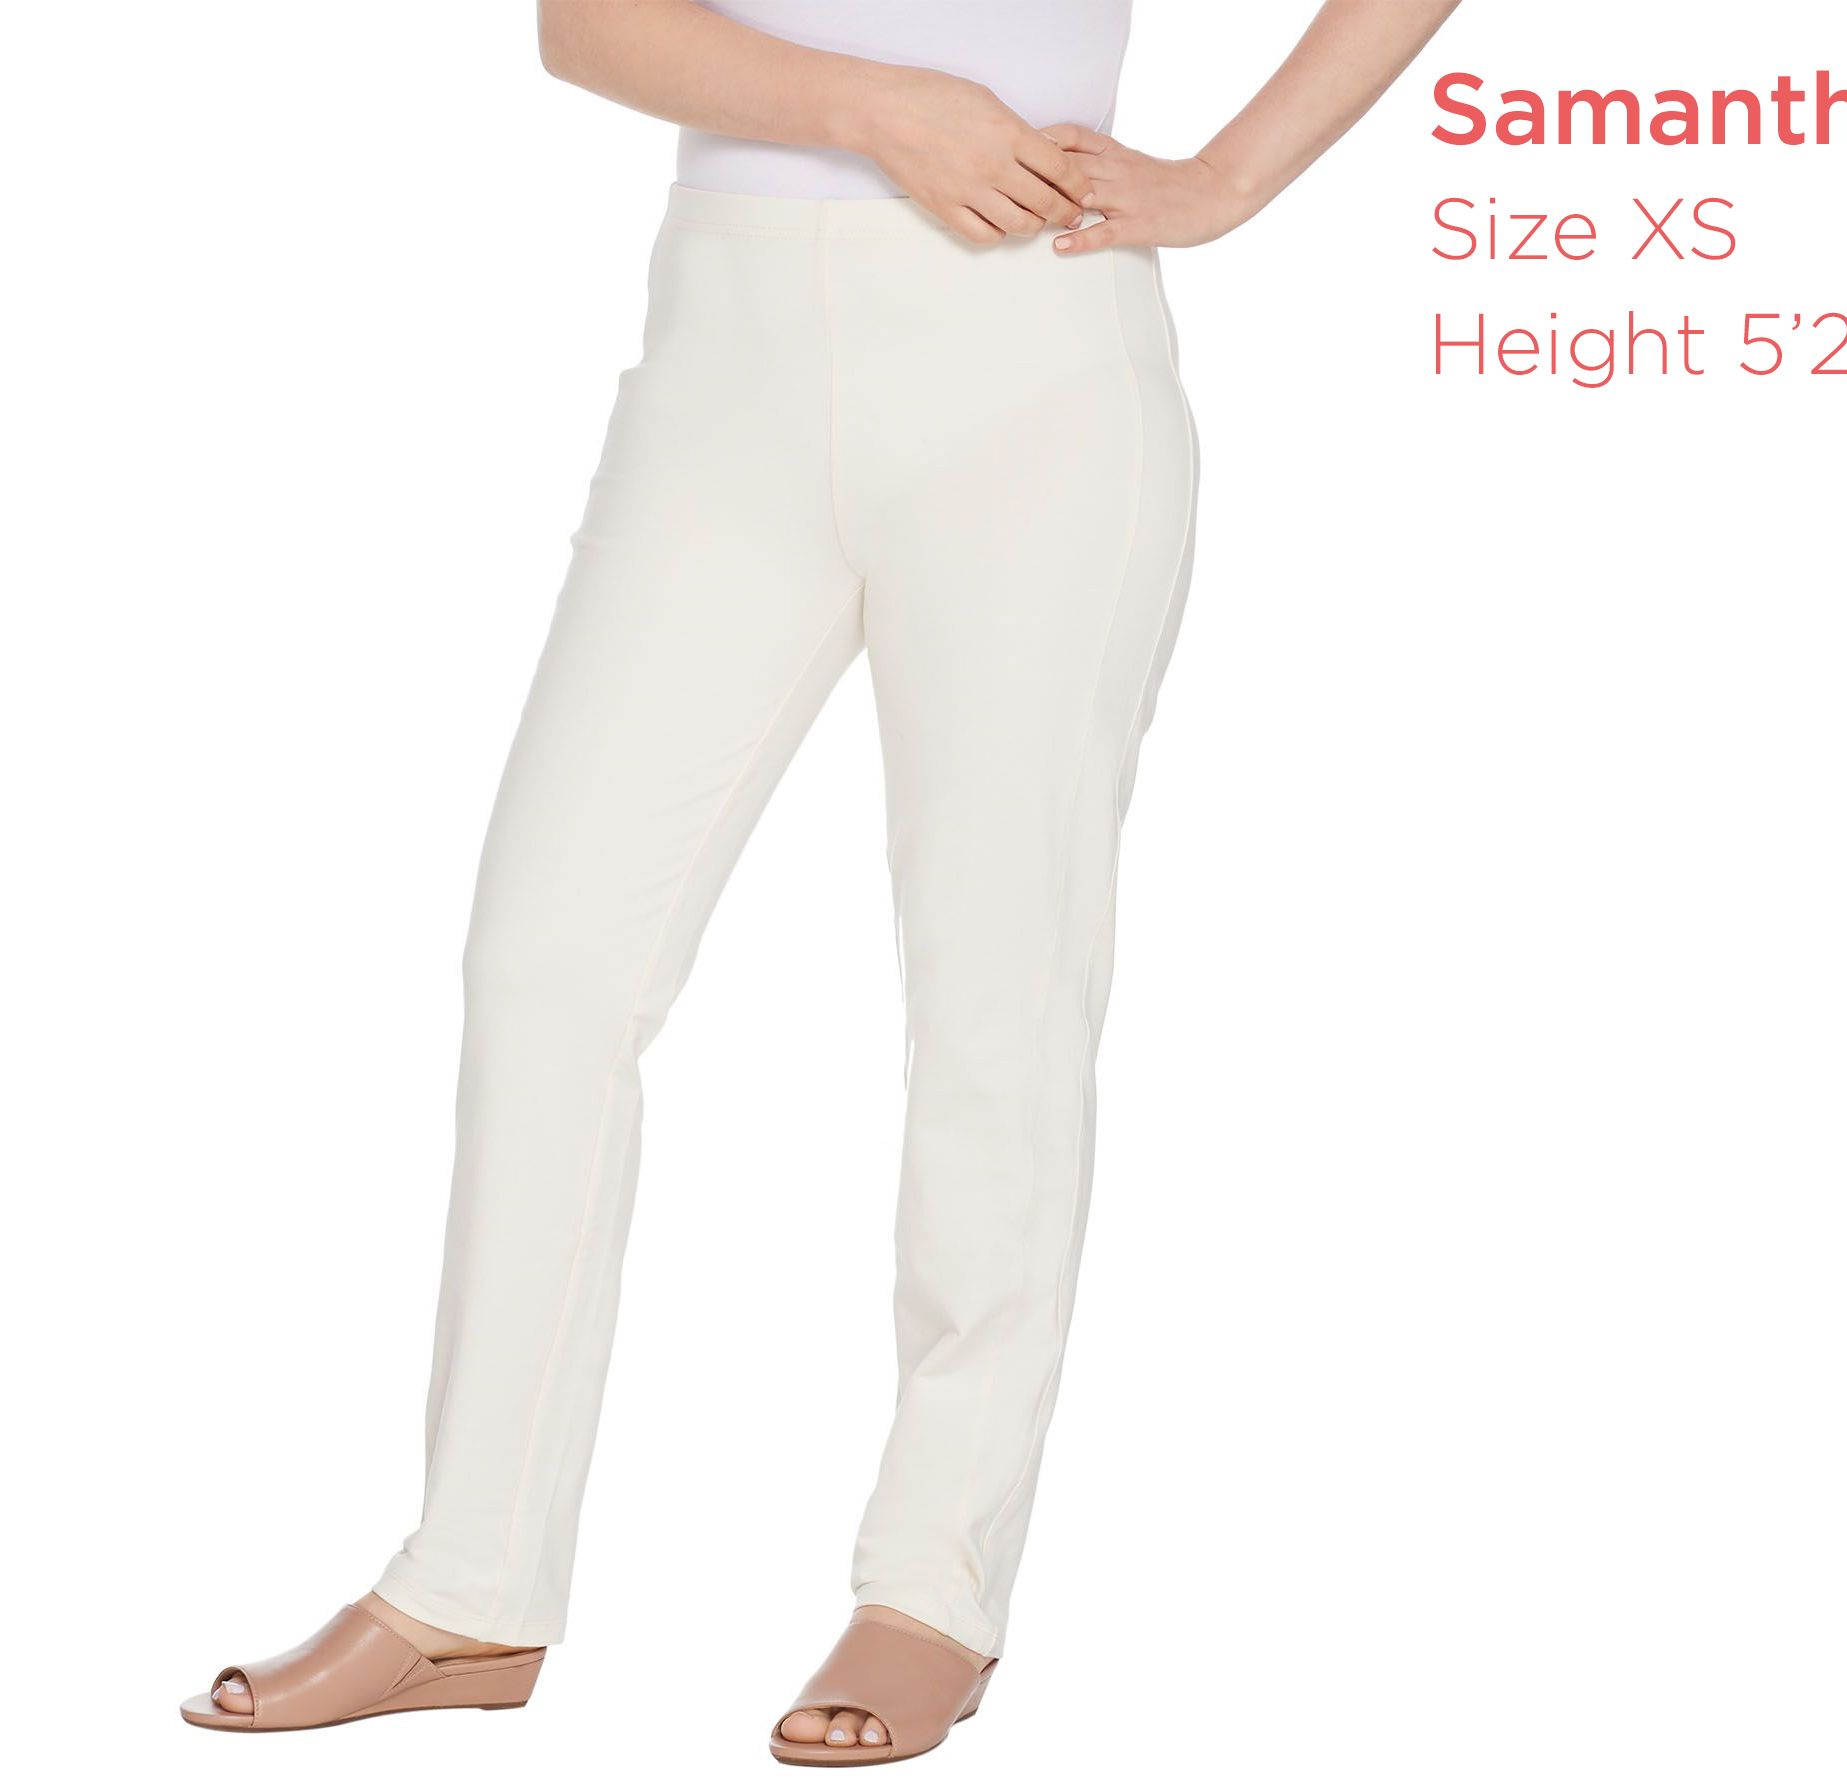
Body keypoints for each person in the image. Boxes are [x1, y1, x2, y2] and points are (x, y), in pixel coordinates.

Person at [180, 0, 1461, 1762]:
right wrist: (878, 107)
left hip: (1035, 355)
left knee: (997, 995)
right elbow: (584, 24)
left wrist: (1232, 178)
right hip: (724, 362)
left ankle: (933, 1585)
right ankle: (468, 1584)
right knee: (549, 965)